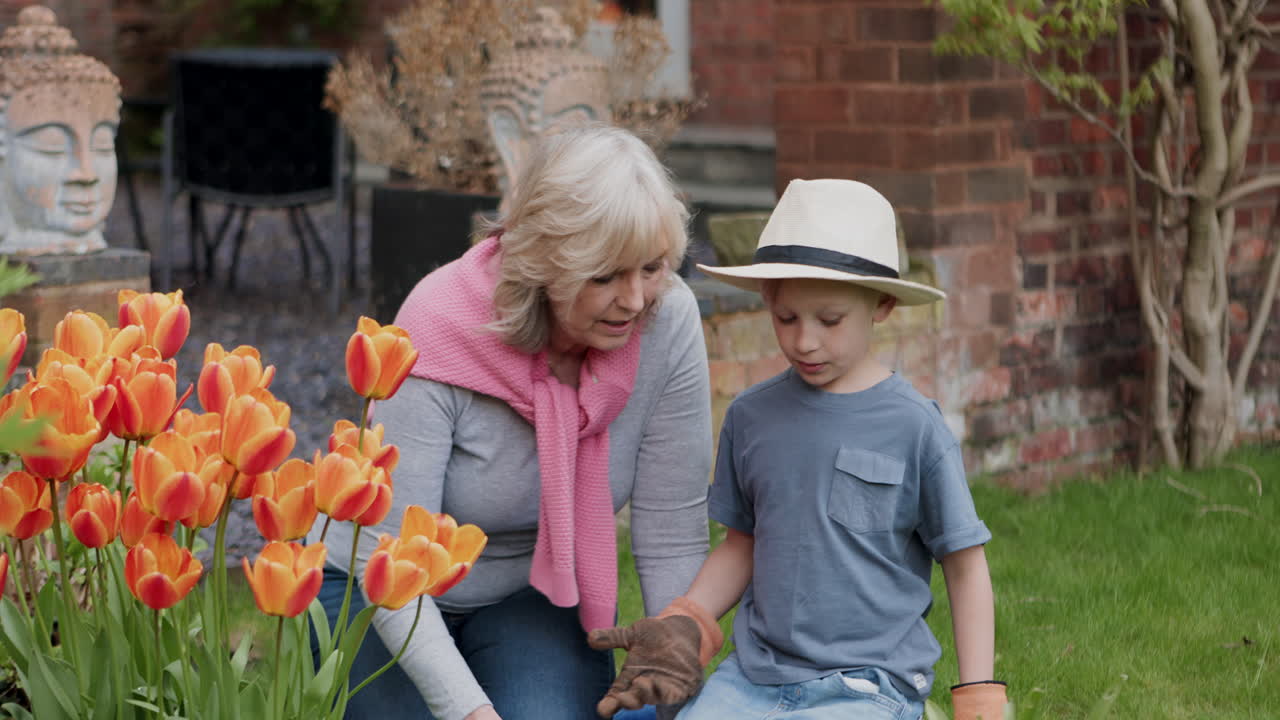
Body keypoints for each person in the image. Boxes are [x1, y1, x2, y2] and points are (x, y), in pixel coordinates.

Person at [310, 123, 713, 720]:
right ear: (544, 263)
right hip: (380, 589)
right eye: (604, 276)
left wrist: (676, 674)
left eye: (651, 268)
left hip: (529, 592)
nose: (635, 299)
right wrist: (470, 712)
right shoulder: (437, 326)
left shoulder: (667, 319)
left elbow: (671, 531)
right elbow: (392, 555)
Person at [589, 179, 1008, 720]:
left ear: (881, 305)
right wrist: (686, 622)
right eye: (786, 318)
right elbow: (742, 545)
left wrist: (978, 699)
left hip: (866, 686)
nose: (804, 341)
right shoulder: (750, 417)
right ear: (767, 299)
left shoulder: (914, 427)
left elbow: (966, 566)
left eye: (829, 321)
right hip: (752, 678)